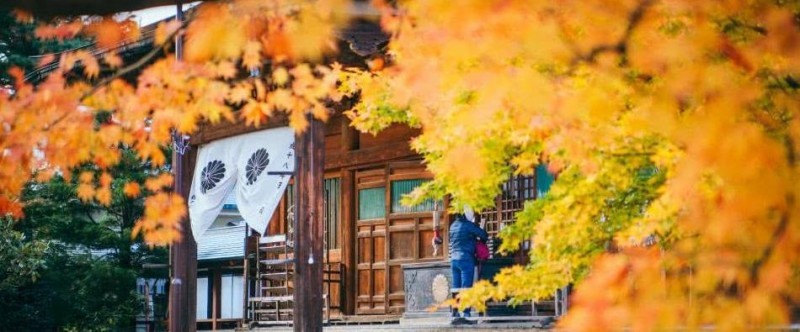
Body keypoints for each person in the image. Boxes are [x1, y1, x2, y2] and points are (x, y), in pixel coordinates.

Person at [449, 205, 488, 324]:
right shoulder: (468, 225)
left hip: (454, 260)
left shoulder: (452, 226)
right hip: (466, 259)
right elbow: (484, 235)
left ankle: (455, 311)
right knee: (466, 287)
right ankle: (466, 312)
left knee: (456, 287)